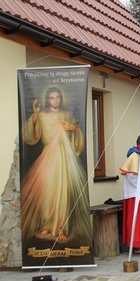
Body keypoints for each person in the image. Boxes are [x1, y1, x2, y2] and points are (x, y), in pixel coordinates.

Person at [21, 86, 91, 248]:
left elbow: (76, 134)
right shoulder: (41, 116)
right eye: (52, 97)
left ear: (61, 98)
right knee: (47, 193)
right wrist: (35, 115)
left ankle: (61, 227)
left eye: (57, 97)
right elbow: (31, 136)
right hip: (48, 158)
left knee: (63, 193)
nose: (55, 100)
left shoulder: (67, 115)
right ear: (48, 99)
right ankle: (47, 225)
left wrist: (74, 129)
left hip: (64, 159)